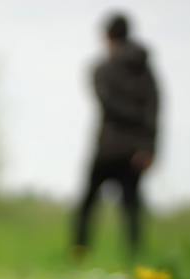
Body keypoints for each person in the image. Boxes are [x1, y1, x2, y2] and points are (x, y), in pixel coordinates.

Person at [73, 13, 159, 260]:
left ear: (107, 36)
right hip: (135, 150)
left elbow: (106, 104)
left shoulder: (101, 69)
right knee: (131, 207)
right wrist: (149, 146)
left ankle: (79, 252)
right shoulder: (145, 71)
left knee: (88, 204)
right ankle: (134, 258)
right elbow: (154, 108)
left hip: (108, 147)